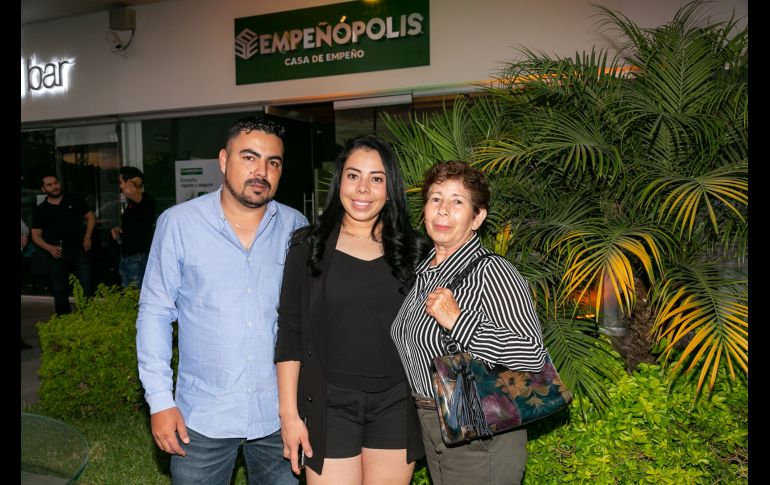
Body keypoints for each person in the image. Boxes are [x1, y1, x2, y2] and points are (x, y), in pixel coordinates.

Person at [136, 117, 308, 485]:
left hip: (278, 413)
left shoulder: (296, 227)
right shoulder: (178, 224)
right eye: (249, 157)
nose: (261, 171)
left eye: (273, 162)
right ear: (223, 160)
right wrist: (160, 401)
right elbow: (154, 313)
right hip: (202, 416)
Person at [275, 135, 430, 484]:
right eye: (353, 175)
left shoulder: (415, 252)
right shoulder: (308, 246)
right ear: (339, 182)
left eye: (376, 178)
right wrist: (289, 415)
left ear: (391, 188)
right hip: (329, 405)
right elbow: (290, 331)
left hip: (395, 402)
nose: (363, 189)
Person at [390, 160, 547, 485]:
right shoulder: (423, 274)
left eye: (457, 201)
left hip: (481, 431)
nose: (442, 210)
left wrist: (459, 321)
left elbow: (531, 355)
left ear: (478, 217)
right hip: (433, 426)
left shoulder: (493, 272)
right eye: (435, 199)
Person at [30, 175, 95, 315]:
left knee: (85, 288)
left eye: (55, 183)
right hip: (56, 255)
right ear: (43, 189)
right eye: (49, 185)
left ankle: (89, 319)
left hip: (79, 251)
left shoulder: (74, 199)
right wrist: (49, 248)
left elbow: (91, 217)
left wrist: (88, 237)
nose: (54, 186)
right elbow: (35, 235)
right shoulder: (41, 210)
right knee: (59, 290)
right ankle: (64, 321)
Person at [111, 166, 156, 288]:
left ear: (130, 182)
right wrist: (120, 230)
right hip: (128, 256)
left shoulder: (144, 201)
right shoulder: (132, 204)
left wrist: (133, 187)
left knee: (135, 295)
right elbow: (138, 226)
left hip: (137, 258)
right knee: (128, 294)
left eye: (121, 182)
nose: (120, 187)